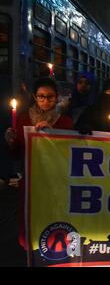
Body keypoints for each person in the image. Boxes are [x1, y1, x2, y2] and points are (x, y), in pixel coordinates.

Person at [4, 77, 73, 250]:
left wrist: (51, 135)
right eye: (41, 96)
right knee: (30, 213)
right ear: (35, 97)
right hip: (31, 178)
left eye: (50, 97)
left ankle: (55, 246)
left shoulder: (65, 122)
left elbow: (69, 151)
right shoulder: (22, 120)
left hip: (56, 179)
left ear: (56, 98)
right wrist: (12, 142)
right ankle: (30, 246)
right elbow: (16, 155)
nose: (45, 101)